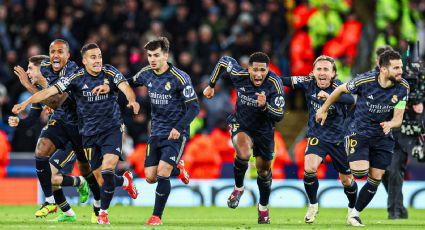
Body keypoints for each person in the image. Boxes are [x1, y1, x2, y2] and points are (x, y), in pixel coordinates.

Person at [12, 43, 140, 225]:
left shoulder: (104, 71)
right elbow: (48, 94)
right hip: (83, 130)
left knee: (104, 170)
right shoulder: (71, 76)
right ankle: (120, 183)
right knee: (95, 177)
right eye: (93, 57)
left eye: (99, 56)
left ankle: (100, 211)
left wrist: (132, 100)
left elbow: (125, 86)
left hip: (98, 129)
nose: (98, 60)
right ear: (85, 61)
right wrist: (25, 104)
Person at [316, 50, 410, 226]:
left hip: (382, 136)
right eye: (396, 68)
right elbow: (340, 89)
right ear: (383, 69)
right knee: (359, 172)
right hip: (358, 131)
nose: (400, 71)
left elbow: (398, 117)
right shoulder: (365, 81)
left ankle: (354, 214)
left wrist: (391, 124)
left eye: (401, 67)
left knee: (376, 176)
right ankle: (348, 167)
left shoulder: (403, 87)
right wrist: (323, 109)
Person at [12, 39, 102, 221]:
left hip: (78, 127)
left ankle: (103, 188)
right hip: (60, 124)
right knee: (41, 155)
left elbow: (57, 100)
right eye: (52, 52)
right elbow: (33, 117)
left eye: (30, 68)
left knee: (88, 174)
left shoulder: (71, 72)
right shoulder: (41, 85)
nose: (28, 72)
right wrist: (19, 122)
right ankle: (55, 205)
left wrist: (29, 90)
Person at [203, 52, 285, 224]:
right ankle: (239, 188)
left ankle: (263, 207)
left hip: (264, 131)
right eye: (254, 70)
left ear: (268, 69)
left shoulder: (274, 83)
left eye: (262, 70)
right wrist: (211, 84)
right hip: (241, 124)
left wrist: (264, 106)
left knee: (263, 171)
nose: (258, 74)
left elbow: (279, 115)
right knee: (244, 153)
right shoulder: (239, 74)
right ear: (248, 69)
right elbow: (224, 61)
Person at [281, 55, 358, 224]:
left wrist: (330, 98)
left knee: (347, 180)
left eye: (326, 70)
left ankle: (353, 211)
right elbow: (284, 80)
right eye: (319, 69)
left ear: (333, 74)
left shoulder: (339, 87)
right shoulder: (308, 82)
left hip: (340, 139)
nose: (322, 73)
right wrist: (265, 78)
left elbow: (351, 99)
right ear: (313, 72)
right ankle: (313, 204)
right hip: (318, 136)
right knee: (309, 168)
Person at [132, 37, 200, 226]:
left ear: (165, 56)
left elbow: (194, 107)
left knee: (162, 173)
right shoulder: (146, 73)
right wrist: (111, 86)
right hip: (156, 132)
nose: (152, 59)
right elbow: (130, 82)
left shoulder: (180, 77)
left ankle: (156, 217)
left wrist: (179, 127)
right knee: (150, 177)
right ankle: (179, 169)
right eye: (149, 56)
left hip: (176, 133)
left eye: (156, 55)